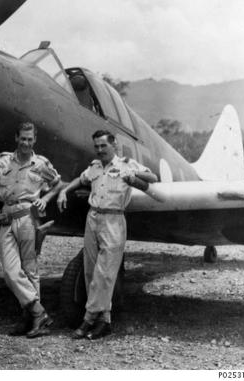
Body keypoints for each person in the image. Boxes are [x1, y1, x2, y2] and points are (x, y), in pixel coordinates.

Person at [57, 130, 157, 340]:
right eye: (97, 146)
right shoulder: (94, 167)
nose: (100, 150)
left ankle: (87, 319)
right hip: (92, 218)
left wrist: (134, 176)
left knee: (104, 273)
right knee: (90, 271)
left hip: (114, 219)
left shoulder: (126, 164)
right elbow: (81, 179)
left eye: (104, 146)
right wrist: (64, 191)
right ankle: (105, 321)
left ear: (114, 145)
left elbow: (152, 177)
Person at [0, 122, 62, 338]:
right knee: (10, 272)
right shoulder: (3, 160)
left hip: (28, 218)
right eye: (23, 138)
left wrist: (46, 199)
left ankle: (29, 319)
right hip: (6, 218)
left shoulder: (41, 164)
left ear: (35, 140)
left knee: (30, 269)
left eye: (30, 139)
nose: (26, 143)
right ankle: (38, 312)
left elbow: (58, 183)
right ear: (16, 138)